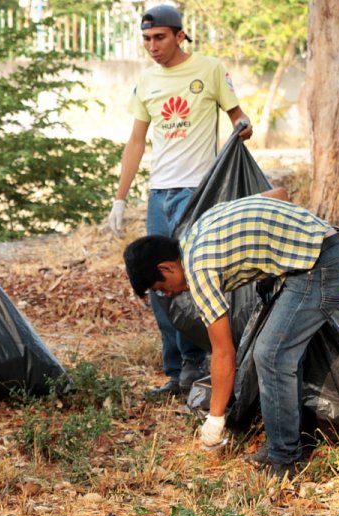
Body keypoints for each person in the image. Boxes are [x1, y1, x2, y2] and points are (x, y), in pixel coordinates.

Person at [122, 189, 339, 479]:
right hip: (324, 251)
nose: (167, 295)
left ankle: (286, 459)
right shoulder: (198, 230)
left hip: (321, 265)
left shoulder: (199, 270)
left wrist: (215, 419)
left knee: (271, 354)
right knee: (275, 353)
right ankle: (283, 445)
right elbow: (278, 194)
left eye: (161, 288)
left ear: (166, 267)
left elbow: (223, 353)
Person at [106, 5, 253, 396]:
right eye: (147, 39)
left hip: (198, 192)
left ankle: (198, 362)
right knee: (158, 281)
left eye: (160, 38)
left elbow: (239, 118)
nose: (152, 46)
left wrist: (244, 126)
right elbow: (136, 141)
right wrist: (120, 198)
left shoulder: (209, 70)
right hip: (160, 194)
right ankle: (176, 368)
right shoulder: (147, 82)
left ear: (179, 36)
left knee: (192, 279)